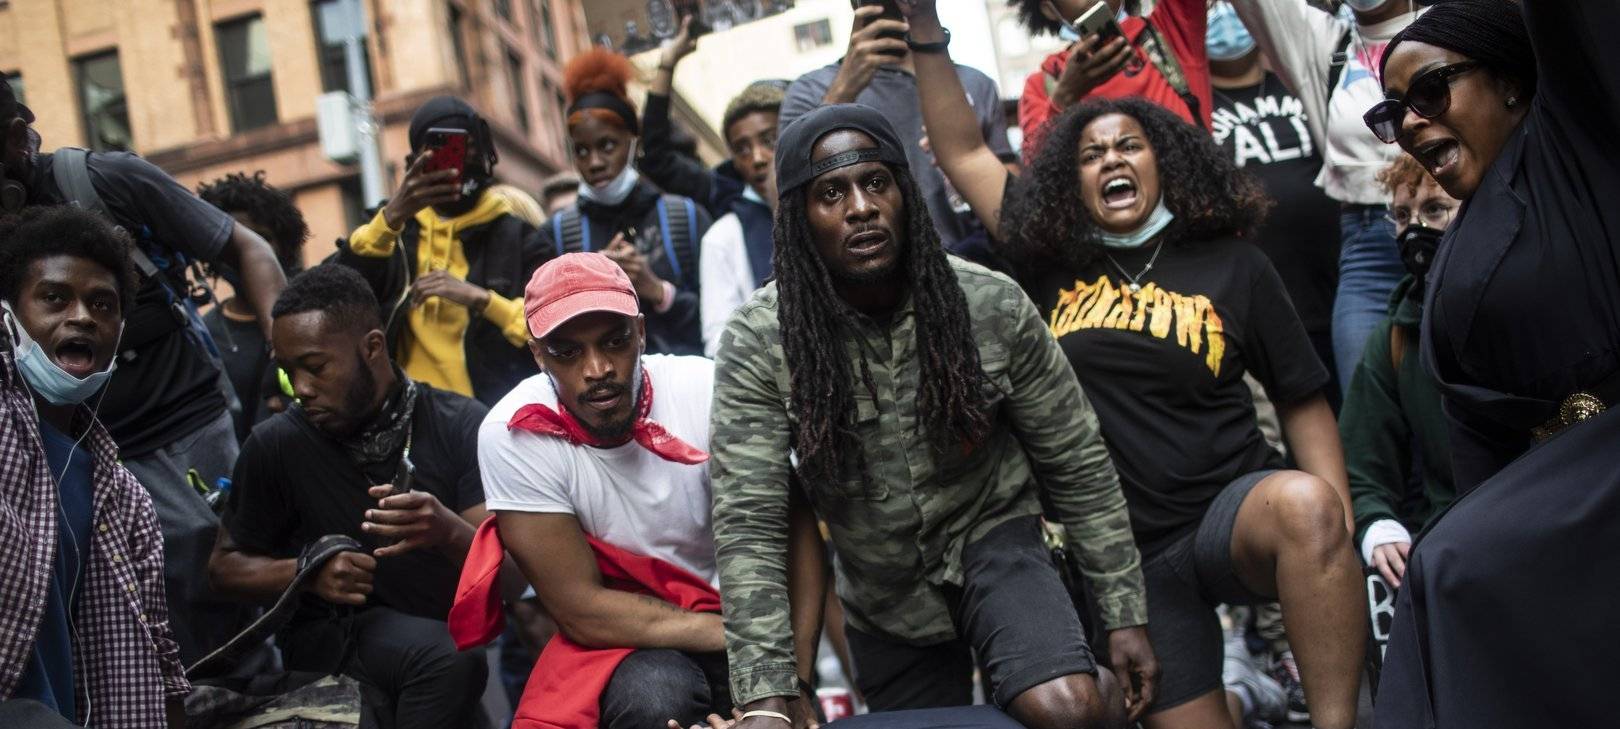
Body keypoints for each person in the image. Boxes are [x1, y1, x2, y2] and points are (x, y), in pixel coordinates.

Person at [901, 5, 1365, 728]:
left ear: (1165, 161)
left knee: (1307, 505)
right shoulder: (1048, 263)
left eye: (1130, 145)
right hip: (1130, 566)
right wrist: (924, 25)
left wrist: (1335, 535)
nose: (1112, 158)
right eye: (1089, 153)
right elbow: (964, 154)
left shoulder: (1234, 263)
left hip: (1231, 513)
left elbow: (1302, 400)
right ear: (1068, 179)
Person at [711, 103, 1152, 729]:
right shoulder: (761, 340)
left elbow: (1077, 461)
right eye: (831, 192)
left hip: (996, 538)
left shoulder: (989, 303)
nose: (860, 206)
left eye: (876, 183)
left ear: (905, 194)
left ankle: (1086, 690)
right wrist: (767, 699)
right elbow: (751, 525)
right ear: (799, 221)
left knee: (1064, 708)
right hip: (881, 593)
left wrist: (1122, 612)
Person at [1369, 3, 1620, 725]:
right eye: (1393, 113)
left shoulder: (1580, 135)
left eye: (1430, 91)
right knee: (1454, 564)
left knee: (1452, 563)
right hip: (1558, 492)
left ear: (1510, 82)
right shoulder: (1445, 264)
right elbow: (1478, 440)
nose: (1412, 122)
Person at [0, 81, 285, 664]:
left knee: (224, 597)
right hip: (62, 450)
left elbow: (250, 250)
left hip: (186, 433)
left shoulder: (103, 180)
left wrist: (293, 365)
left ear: (14, 137)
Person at [470, 252, 808, 728]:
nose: (597, 368)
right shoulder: (511, 432)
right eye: (567, 351)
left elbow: (794, 529)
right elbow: (579, 610)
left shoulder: (709, 389)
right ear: (537, 354)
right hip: (631, 640)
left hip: (753, 614)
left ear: (642, 334)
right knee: (653, 696)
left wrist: (791, 679)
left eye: (615, 341)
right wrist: (743, 638)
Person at [208, 264, 515, 729]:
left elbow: (511, 580)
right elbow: (224, 568)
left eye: (314, 367)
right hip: (333, 651)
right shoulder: (276, 445)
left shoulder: (459, 423)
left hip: (442, 654)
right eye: (289, 372)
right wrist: (306, 570)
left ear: (372, 347)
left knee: (451, 665)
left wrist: (448, 531)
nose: (301, 389)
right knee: (447, 661)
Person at [0, 206, 188, 727]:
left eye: (101, 304)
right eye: (54, 298)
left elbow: (161, 661)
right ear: (10, 315)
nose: (82, 316)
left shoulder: (126, 499)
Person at [1229, 0, 1423, 396]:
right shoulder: (1324, 45)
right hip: (1368, 249)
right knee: (1366, 406)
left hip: (1458, 226)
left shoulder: (1454, 24)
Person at [338, 95, 550, 407]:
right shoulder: (393, 230)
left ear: (484, 149)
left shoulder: (519, 237)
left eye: (467, 147)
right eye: (440, 150)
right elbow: (345, 288)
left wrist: (479, 298)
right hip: (411, 415)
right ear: (417, 160)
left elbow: (550, 325)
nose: (458, 163)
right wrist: (393, 216)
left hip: (495, 415)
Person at [780, 2, 1018, 265]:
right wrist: (844, 89)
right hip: (871, 273)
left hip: (974, 264)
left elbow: (1014, 201)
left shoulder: (974, 83)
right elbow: (785, 207)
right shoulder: (810, 91)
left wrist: (959, 151)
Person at [1206, 1, 1340, 407]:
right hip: (1267, 303)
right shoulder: (1196, 104)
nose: (1224, 15)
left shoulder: (1299, 81)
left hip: (1339, 280)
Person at [543, 48, 710, 356]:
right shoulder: (557, 232)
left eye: (607, 145)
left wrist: (658, 291)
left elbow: (722, 318)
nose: (594, 162)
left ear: (632, 141)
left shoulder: (684, 216)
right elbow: (545, 334)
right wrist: (588, 283)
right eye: (581, 150)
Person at [1340, 153, 1457, 590]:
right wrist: (1378, 525)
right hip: (1451, 540)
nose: (1415, 230)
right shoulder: (1395, 336)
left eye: (1434, 210)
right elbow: (1361, 462)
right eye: (1403, 216)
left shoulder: (1527, 305)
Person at [640, 19, 784, 355]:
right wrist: (666, 64)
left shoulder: (838, 203)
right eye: (742, 148)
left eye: (769, 140)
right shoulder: (726, 229)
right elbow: (656, 154)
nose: (758, 158)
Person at [197, 171, 310, 441]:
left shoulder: (314, 319)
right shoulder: (203, 335)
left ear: (284, 245)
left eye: (262, 238)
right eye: (234, 240)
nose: (249, 251)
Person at [1013, 0, 1211, 153]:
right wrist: (1065, 96)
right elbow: (1037, 172)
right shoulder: (1042, 84)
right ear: (1048, 8)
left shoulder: (1171, 30)